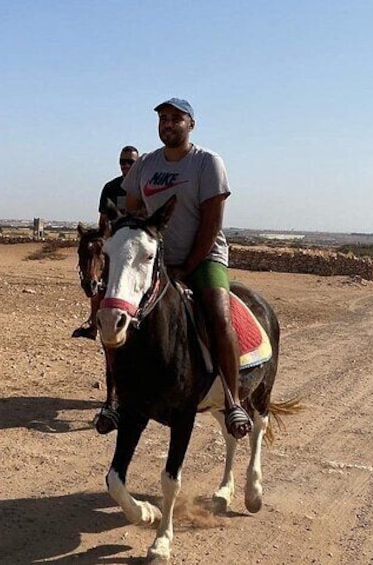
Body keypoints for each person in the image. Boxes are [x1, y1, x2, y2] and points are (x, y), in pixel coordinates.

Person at [122, 97, 251, 439]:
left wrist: (187, 266)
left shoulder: (207, 163)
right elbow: (133, 211)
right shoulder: (145, 165)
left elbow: (211, 225)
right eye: (163, 118)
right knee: (117, 312)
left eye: (176, 118)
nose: (168, 123)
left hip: (205, 257)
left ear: (191, 124)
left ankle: (233, 400)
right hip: (159, 263)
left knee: (218, 315)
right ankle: (118, 397)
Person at [72, 145, 139, 340]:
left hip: (136, 240)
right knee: (94, 271)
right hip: (114, 238)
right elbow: (103, 218)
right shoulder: (111, 187)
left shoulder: (143, 185)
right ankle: (93, 323)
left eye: (130, 162)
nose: (125, 165)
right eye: (122, 161)